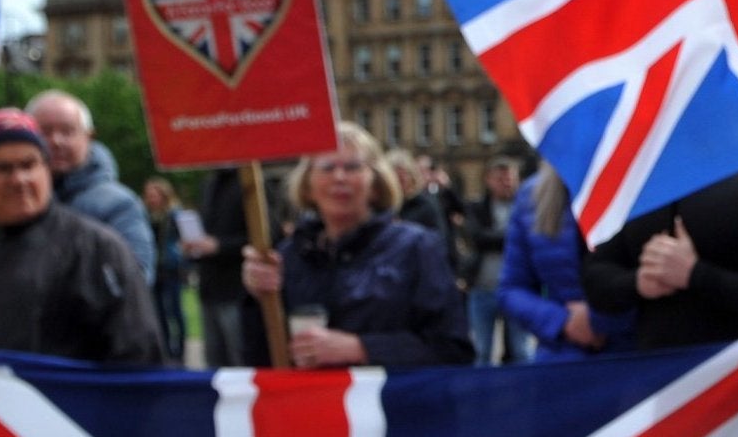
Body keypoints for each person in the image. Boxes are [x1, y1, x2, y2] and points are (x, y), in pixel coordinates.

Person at [0, 110, 164, 377]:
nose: (19, 180)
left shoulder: (97, 250)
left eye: (29, 165)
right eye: (2, 168)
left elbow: (138, 353)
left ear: (46, 171)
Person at [241, 124, 473, 370]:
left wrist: (361, 348)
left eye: (352, 167)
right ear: (308, 185)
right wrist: (257, 297)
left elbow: (453, 349)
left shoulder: (416, 248)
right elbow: (261, 360)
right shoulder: (288, 256)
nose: (339, 177)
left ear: (375, 183)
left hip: (390, 405)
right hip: (315, 405)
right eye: (328, 167)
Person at [584, 160, 738, 349]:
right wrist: (637, 282)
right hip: (657, 366)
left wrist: (694, 274)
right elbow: (595, 278)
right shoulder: (638, 185)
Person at [498, 165, 630, 360]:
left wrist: (600, 321)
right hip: (562, 361)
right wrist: (562, 322)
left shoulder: (640, 184)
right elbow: (510, 289)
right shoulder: (531, 196)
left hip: (635, 359)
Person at [28, 89, 155, 282]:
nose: (56, 141)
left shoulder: (120, 204)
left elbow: (136, 278)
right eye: (45, 132)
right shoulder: (9, 203)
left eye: (67, 131)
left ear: (89, 136)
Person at [185, 168, 272, 367]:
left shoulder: (253, 182)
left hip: (237, 292)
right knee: (215, 363)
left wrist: (219, 246)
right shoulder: (209, 184)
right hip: (209, 289)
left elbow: (266, 239)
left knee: (241, 360)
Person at [464, 156, 531, 364]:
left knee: (520, 351)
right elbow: (477, 238)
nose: (506, 183)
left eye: (510, 178)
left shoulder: (527, 206)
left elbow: (530, 238)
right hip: (482, 288)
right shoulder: (476, 207)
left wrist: (496, 236)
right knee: (482, 351)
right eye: (500, 178)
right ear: (488, 180)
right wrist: (511, 236)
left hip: (518, 289)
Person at [142, 178, 188, 363]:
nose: (151, 199)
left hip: (172, 268)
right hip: (156, 268)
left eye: (155, 195)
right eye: (149, 195)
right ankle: (167, 349)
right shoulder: (147, 216)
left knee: (174, 310)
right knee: (158, 312)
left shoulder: (175, 215)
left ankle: (180, 351)